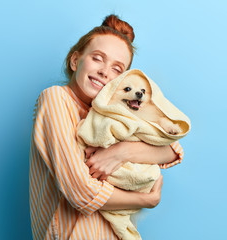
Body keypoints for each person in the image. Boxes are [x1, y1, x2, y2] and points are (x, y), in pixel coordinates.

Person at [29, 14, 184, 240]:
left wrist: (119, 153)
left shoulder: (117, 112)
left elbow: (172, 149)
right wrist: (146, 200)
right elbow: (80, 192)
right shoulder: (56, 99)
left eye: (117, 69)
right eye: (97, 58)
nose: (105, 72)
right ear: (75, 61)